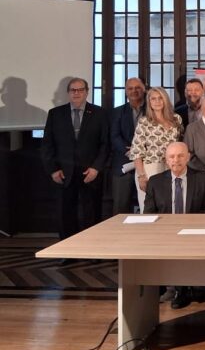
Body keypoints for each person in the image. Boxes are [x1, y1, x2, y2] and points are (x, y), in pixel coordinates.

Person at [143, 141, 205, 309]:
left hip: (195, 231)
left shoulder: (202, 178)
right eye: (172, 157)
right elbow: (149, 213)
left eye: (181, 156)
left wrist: (189, 224)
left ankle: (188, 287)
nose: (176, 160)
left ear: (188, 157)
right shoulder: (155, 182)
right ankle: (174, 288)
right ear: (166, 160)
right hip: (165, 233)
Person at [41, 77, 109, 242]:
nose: (77, 93)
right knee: (65, 214)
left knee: (91, 213)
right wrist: (53, 170)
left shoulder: (100, 113)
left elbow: (105, 144)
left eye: (80, 90)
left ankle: (91, 250)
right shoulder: (55, 114)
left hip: (90, 172)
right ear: (68, 93)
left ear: (87, 92)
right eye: (73, 90)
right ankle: (67, 251)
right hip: (64, 173)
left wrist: (96, 168)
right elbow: (47, 145)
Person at [129, 86, 184, 213]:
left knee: (171, 206)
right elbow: (137, 151)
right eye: (153, 99)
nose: (157, 101)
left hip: (172, 167)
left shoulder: (177, 119)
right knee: (149, 208)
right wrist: (142, 176)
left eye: (160, 98)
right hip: (149, 169)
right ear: (149, 102)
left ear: (165, 100)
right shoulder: (144, 122)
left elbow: (180, 144)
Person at [110, 77, 145, 214]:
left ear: (144, 90)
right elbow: (114, 136)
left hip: (147, 163)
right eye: (130, 88)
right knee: (120, 207)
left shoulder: (152, 110)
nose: (134, 91)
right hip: (123, 164)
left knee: (147, 205)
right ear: (126, 91)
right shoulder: (116, 112)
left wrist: (140, 151)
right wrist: (132, 151)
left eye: (138, 88)